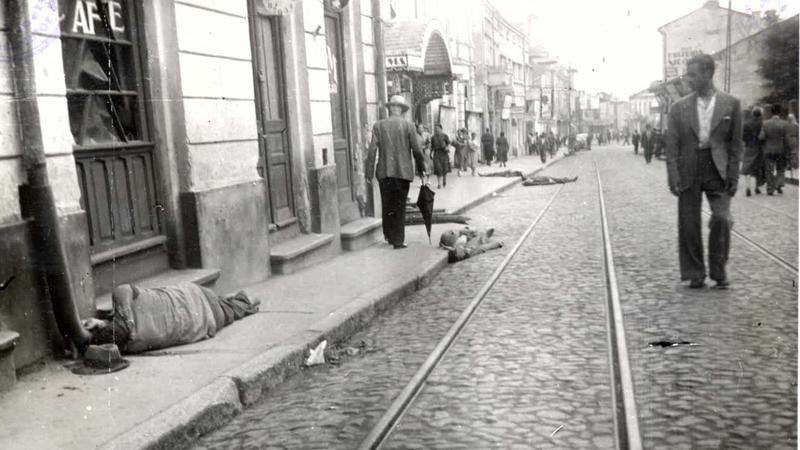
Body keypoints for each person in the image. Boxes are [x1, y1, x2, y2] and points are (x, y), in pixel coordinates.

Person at [666, 54, 742, 289]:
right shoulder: (679, 107)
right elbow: (672, 145)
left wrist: (733, 175)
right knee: (689, 223)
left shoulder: (731, 104)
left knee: (721, 218)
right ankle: (695, 272)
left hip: (717, 168)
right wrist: (673, 175)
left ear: (708, 74)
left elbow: (735, 145)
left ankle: (718, 270)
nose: (688, 80)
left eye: (693, 75)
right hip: (689, 167)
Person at [83, 283, 260, 354]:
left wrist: (103, 327)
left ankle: (243, 301)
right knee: (223, 303)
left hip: (207, 317)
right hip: (194, 294)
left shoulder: (135, 345)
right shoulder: (125, 297)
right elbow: (124, 293)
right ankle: (240, 300)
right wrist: (107, 323)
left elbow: (123, 333)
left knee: (231, 308)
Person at [365, 94, 427, 249]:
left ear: (391, 108)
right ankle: (398, 240)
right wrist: (422, 170)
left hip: (384, 172)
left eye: (395, 106)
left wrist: (369, 173)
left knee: (387, 204)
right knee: (399, 206)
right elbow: (417, 150)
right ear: (401, 110)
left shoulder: (379, 125)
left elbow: (372, 150)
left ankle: (388, 235)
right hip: (402, 173)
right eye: (396, 106)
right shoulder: (408, 126)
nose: (395, 108)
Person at [759, 103, 792, 195]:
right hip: (781, 150)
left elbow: (761, 137)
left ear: (771, 112)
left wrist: (764, 144)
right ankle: (778, 184)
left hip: (768, 150)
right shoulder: (785, 124)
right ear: (780, 112)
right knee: (780, 168)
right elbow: (787, 139)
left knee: (769, 170)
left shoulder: (765, 123)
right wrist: (789, 150)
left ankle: (770, 189)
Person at [439, 227, 504, 263]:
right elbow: (482, 248)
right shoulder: (462, 249)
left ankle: (483, 235)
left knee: (476, 236)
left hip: (465, 243)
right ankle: (485, 236)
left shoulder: (459, 243)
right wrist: (496, 244)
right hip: (474, 244)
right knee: (480, 240)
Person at [741, 108, 765, 196]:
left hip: (749, 147)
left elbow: (742, 137)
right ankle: (757, 187)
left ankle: (748, 187)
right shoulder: (762, 124)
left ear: (752, 114)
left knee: (747, 168)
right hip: (759, 148)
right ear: (760, 115)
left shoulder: (746, 124)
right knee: (758, 168)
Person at [431, 123, 451, 188]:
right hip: (436, 153)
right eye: (435, 128)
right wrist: (431, 153)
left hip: (444, 153)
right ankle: (439, 183)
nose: (436, 130)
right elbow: (432, 146)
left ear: (441, 129)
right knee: (438, 168)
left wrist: (447, 148)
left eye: (437, 128)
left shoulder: (445, 136)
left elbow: (449, 144)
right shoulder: (433, 137)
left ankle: (444, 178)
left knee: (445, 168)